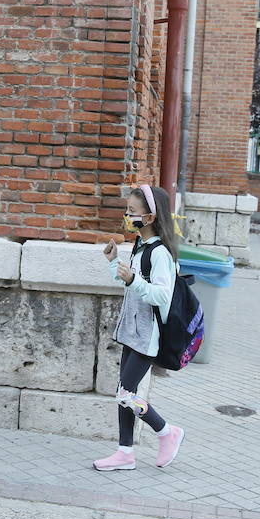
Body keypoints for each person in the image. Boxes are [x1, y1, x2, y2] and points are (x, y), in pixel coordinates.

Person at [92, 185, 186, 472]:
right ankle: (124, 453)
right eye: (127, 211)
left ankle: (166, 431)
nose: (127, 216)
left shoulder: (159, 253)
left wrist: (133, 278)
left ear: (150, 217)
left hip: (150, 335)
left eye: (132, 212)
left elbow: (161, 295)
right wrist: (114, 265)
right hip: (133, 331)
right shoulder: (140, 247)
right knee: (124, 392)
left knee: (125, 394)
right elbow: (131, 286)